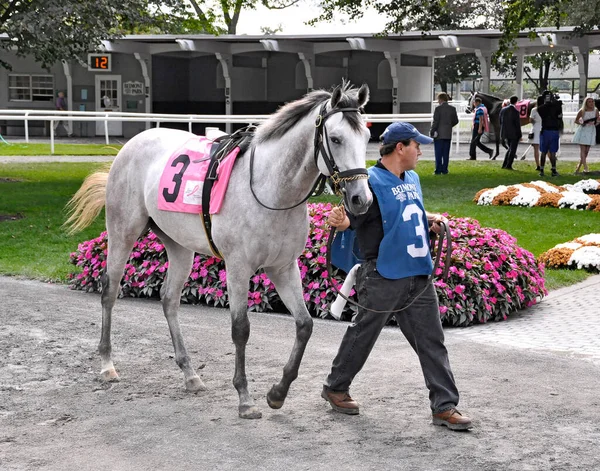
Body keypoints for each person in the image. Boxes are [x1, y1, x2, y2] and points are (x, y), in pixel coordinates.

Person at [321, 121, 473, 431]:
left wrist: (426, 222)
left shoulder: (412, 178)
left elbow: (405, 212)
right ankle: (336, 386)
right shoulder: (370, 182)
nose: (420, 150)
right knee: (363, 334)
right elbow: (352, 217)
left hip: (417, 273)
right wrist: (340, 220)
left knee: (432, 340)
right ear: (400, 148)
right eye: (416, 145)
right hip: (382, 275)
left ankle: (444, 406)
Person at [430, 92, 459, 175]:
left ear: (440, 99)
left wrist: (432, 130)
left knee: (438, 153)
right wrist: (449, 125)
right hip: (447, 133)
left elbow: (436, 121)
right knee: (446, 153)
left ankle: (438, 170)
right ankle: (445, 169)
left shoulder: (438, 109)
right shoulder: (452, 109)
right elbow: (456, 121)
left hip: (439, 134)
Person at [536, 91, 563, 177]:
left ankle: (542, 170)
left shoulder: (540, 108)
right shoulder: (557, 106)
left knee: (543, 152)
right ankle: (554, 169)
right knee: (553, 152)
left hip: (545, 131)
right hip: (554, 130)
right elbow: (559, 116)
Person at [572, 97, 599, 174]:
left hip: (591, 130)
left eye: (592, 101)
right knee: (583, 150)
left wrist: (595, 123)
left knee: (587, 151)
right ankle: (585, 167)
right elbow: (576, 120)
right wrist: (582, 123)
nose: (591, 103)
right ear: (586, 103)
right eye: (589, 102)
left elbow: (597, 120)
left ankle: (578, 167)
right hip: (583, 131)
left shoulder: (596, 110)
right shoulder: (582, 111)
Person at [499, 95, 522, 170]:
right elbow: (517, 125)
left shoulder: (503, 110)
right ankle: (508, 165)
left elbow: (500, 121)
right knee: (512, 150)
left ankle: (505, 164)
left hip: (505, 132)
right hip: (514, 133)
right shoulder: (516, 112)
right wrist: (520, 134)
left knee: (509, 149)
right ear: (516, 102)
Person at [528, 97, 543, 171]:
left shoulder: (534, 110)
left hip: (536, 128)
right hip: (543, 128)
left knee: (536, 149)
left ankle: (538, 165)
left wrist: (534, 121)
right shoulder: (546, 109)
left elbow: (530, 120)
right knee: (546, 149)